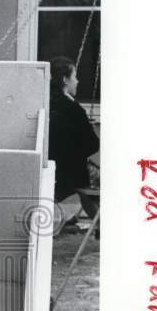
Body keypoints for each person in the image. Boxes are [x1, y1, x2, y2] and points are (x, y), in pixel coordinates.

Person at [48, 56, 100, 222]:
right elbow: (93, 145)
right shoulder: (73, 109)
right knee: (95, 176)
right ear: (65, 79)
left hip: (52, 167)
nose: (77, 81)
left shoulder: (45, 103)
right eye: (75, 76)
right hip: (70, 172)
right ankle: (102, 225)